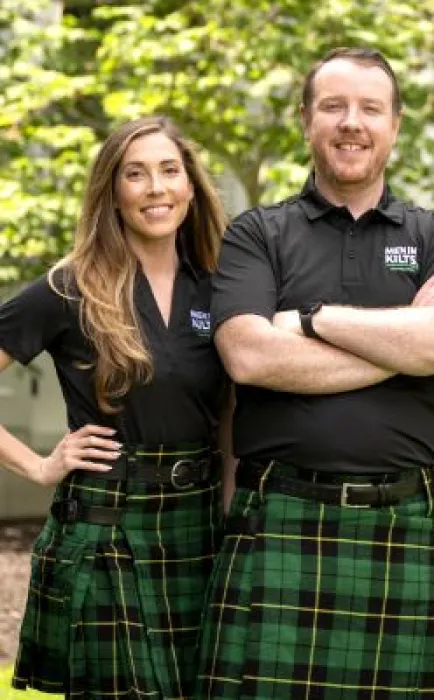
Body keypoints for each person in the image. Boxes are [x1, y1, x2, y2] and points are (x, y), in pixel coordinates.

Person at [195, 47, 434, 699]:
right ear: (306, 120)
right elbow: (248, 355)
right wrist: (402, 337)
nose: (352, 123)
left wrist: (308, 318)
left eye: (370, 109)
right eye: (334, 106)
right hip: (280, 520)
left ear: (395, 125)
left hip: (396, 528)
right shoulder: (257, 234)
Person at [0, 115, 233, 698]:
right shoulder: (66, 289)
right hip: (108, 525)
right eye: (136, 174)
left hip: (200, 527)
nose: (156, 188)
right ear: (112, 191)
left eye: (168, 171)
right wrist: (37, 465)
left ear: (190, 186)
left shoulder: (221, 286)